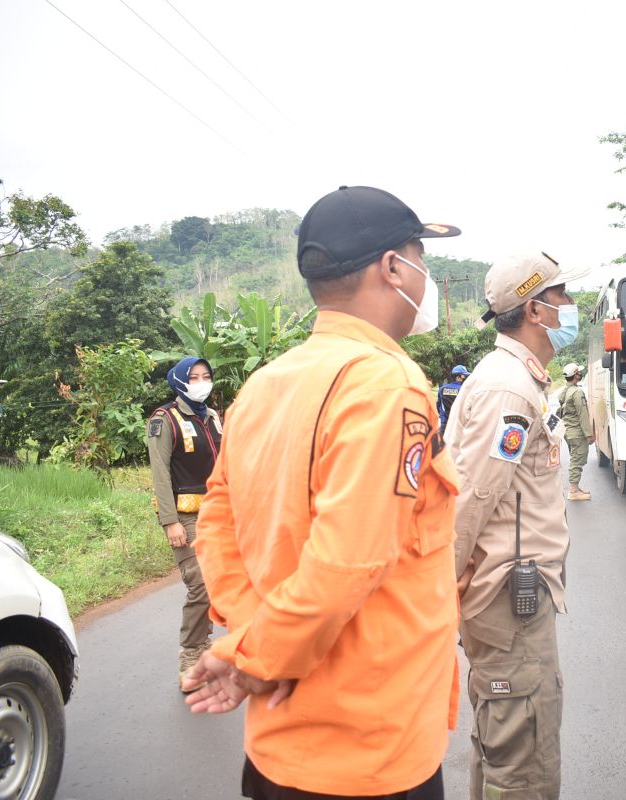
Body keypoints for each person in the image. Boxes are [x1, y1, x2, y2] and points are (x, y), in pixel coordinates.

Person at [183, 186, 464, 800]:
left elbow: (218, 523)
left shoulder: (265, 383)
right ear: (393, 268)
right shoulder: (387, 386)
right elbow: (348, 561)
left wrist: (253, 641)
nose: (427, 279)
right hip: (368, 751)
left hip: (279, 749)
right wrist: (260, 658)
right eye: (422, 258)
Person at [445, 250, 590, 800]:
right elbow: (472, 498)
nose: (573, 306)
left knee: (506, 742)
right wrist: (446, 585)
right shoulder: (509, 387)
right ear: (536, 310)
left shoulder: (519, 378)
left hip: (509, 593)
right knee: (521, 754)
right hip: (508, 598)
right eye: (563, 297)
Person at [145, 356, 222, 691]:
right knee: (200, 584)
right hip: (186, 518)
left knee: (217, 584)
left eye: (206, 376)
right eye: (194, 377)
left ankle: (205, 648)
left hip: (218, 516)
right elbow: (160, 474)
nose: (201, 382)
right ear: (179, 380)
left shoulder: (213, 418)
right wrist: (170, 522)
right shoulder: (165, 419)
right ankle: (190, 656)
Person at [555, 363, 593, 500]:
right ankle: (573, 491)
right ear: (575, 375)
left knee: (575, 458)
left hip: (568, 431)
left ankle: (576, 488)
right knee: (577, 460)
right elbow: (583, 414)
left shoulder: (567, 390)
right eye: (579, 373)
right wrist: (589, 435)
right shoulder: (577, 392)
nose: (580, 374)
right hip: (576, 432)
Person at [437, 364, 470, 435]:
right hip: (459, 427)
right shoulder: (464, 390)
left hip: (444, 426)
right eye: (464, 376)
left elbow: (438, 406)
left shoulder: (442, 389)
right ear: (458, 378)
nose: (466, 378)